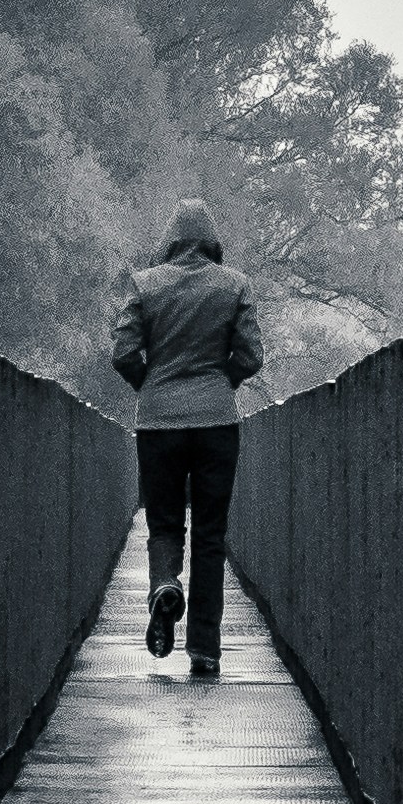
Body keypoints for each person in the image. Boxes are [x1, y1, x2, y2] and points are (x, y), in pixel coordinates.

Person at [109, 199, 264, 678]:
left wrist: (150, 385)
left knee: (164, 524)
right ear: (212, 242)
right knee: (211, 536)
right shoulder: (234, 284)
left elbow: (123, 351)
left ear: (170, 240)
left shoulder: (145, 284)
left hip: (158, 425)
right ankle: (205, 648)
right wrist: (223, 382)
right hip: (217, 423)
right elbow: (252, 355)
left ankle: (163, 584)